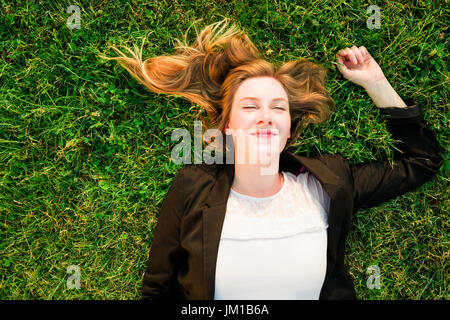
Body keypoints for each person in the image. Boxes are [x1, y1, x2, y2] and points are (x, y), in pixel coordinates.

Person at [101, 19, 442, 300]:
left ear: (289, 131)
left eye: (278, 108)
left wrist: (375, 82)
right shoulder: (193, 187)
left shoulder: (328, 182)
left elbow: (422, 160)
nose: (265, 116)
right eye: (250, 106)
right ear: (228, 127)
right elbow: (157, 289)